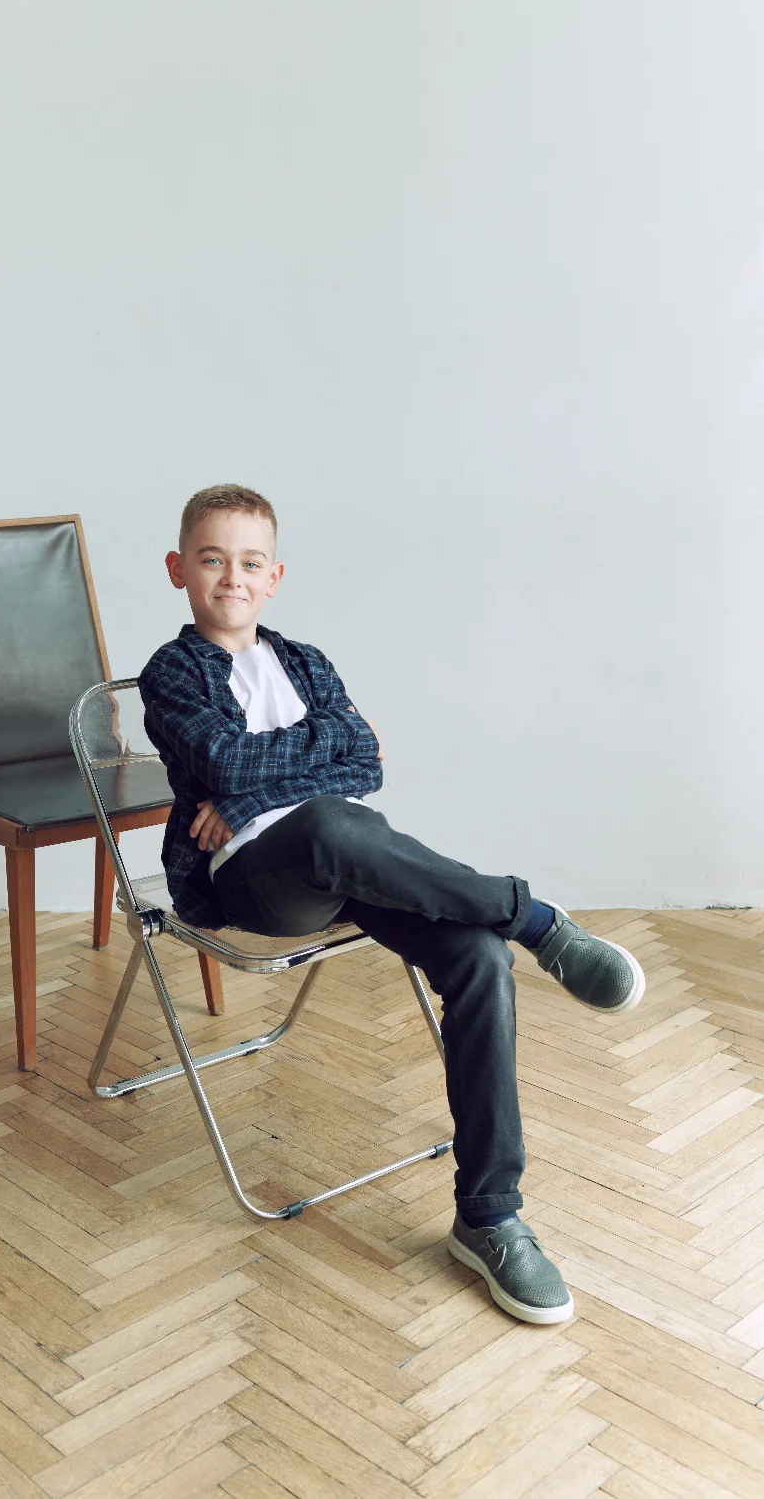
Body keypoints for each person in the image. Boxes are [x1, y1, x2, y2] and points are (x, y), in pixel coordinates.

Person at [138, 483, 645, 1325]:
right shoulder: (172, 671)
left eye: (251, 562)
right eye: (212, 559)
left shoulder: (306, 661)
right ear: (178, 569)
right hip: (254, 879)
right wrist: (296, 766)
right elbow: (224, 762)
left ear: (275, 576)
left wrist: (260, 783)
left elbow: (366, 760)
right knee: (332, 823)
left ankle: (490, 1216)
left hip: (357, 865)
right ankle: (533, 917)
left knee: (477, 958)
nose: (232, 577)